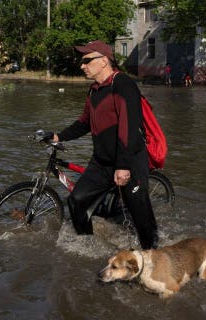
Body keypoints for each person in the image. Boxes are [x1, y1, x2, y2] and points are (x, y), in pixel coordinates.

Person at [51, 40, 158, 249]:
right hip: (102, 162)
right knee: (77, 200)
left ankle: (154, 254)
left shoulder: (123, 85)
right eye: (81, 61)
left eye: (86, 60)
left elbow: (129, 128)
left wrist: (124, 166)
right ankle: (88, 247)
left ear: (103, 61)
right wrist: (58, 136)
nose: (82, 65)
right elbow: (84, 123)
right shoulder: (94, 90)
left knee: (140, 215)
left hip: (129, 160)